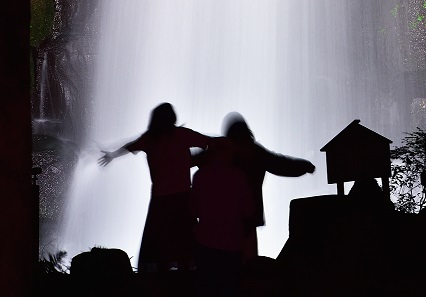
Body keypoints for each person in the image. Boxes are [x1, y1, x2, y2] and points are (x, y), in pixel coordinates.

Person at [99, 102, 211, 272]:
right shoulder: (182, 135)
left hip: (161, 199)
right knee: (185, 242)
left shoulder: (150, 139)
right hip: (182, 197)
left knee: (160, 242)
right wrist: (199, 159)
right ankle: (187, 277)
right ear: (172, 117)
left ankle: (160, 279)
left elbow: (129, 147)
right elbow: (208, 143)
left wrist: (112, 155)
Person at [205, 113, 316, 260]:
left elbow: (199, 158)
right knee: (249, 264)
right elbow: (280, 164)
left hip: (223, 215)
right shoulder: (255, 152)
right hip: (249, 216)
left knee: (224, 261)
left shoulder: (222, 152)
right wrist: (304, 166)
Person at [191, 143, 255, 296]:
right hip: (233, 242)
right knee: (230, 287)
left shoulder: (200, 176)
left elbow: (193, 209)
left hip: (206, 242)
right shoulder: (239, 176)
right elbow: (248, 210)